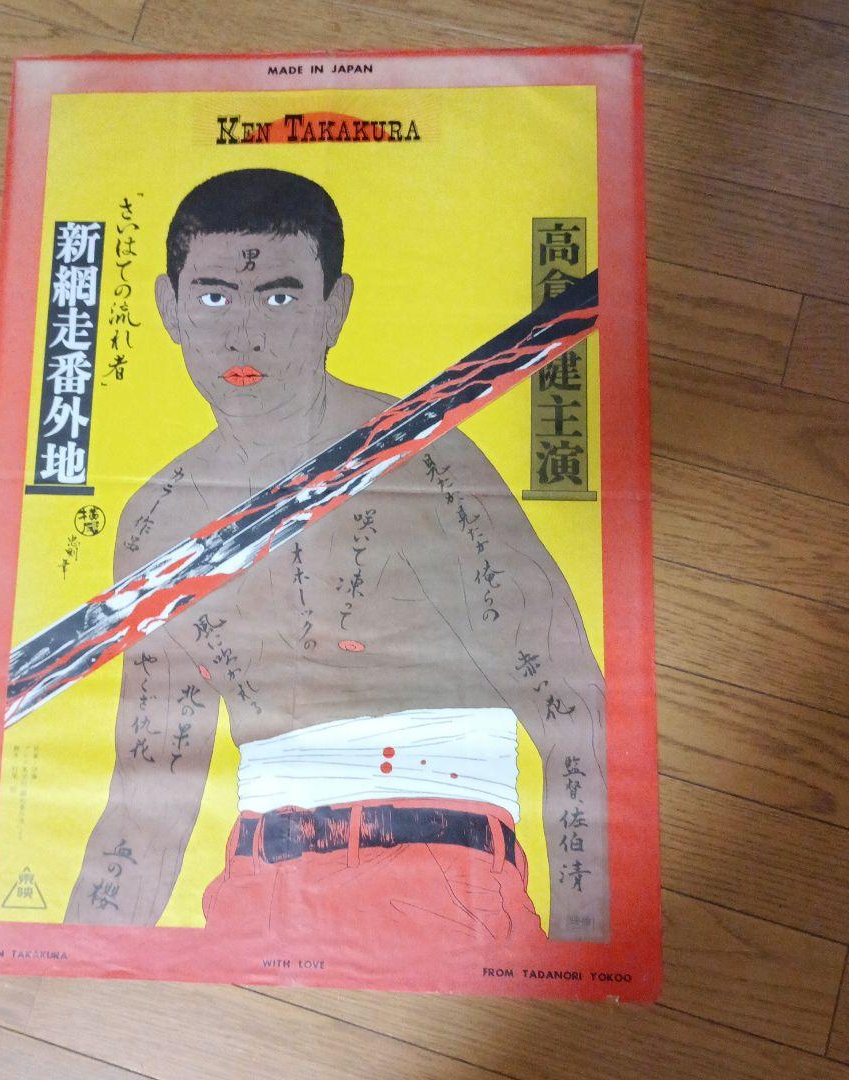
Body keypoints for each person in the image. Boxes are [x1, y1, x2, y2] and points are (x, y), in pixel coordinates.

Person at [64, 168, 608, 947]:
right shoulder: (160, 519)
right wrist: (68, 970)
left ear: (335, 307)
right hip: (256, 890)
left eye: (279, 299)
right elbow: (150, 792)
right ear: (169, 307)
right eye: (214, 297)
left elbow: (572, 705)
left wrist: (586, 945)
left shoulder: (420, 457)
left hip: (446, 879)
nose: (244, 335)